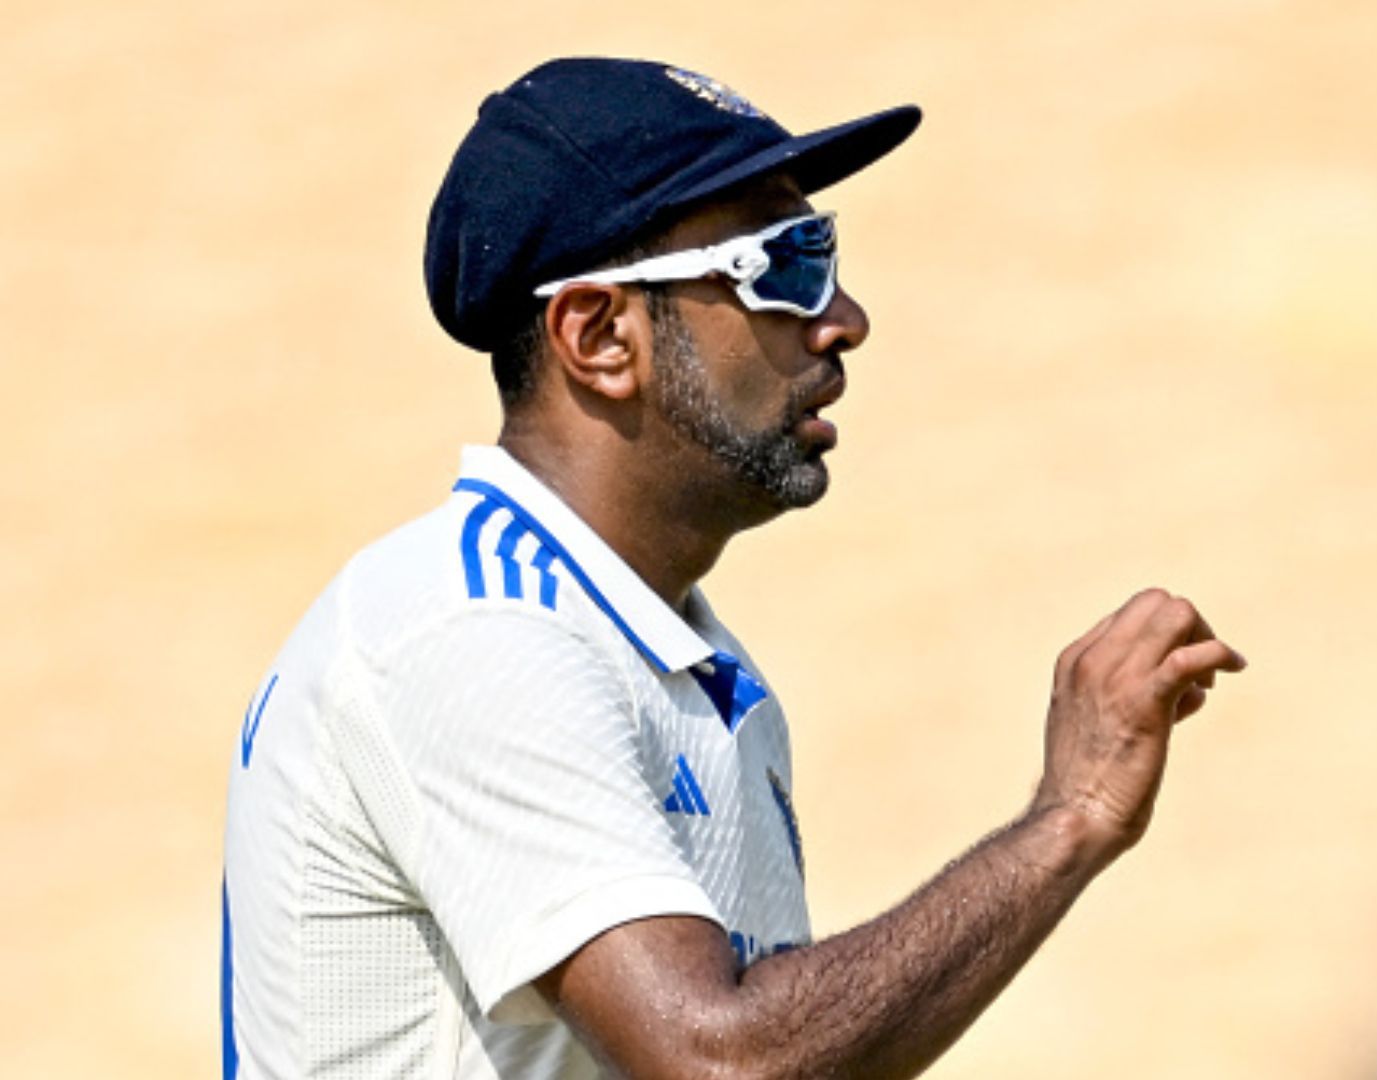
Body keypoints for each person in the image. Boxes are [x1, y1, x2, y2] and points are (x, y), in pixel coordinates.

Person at [221, 57, 1246, 1079]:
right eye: (786, 262)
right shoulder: (475, 629)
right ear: (600, 336)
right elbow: (721, 1062)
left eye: (826, 250)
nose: (845, 318)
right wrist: (1068, 818)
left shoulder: (682, 661)